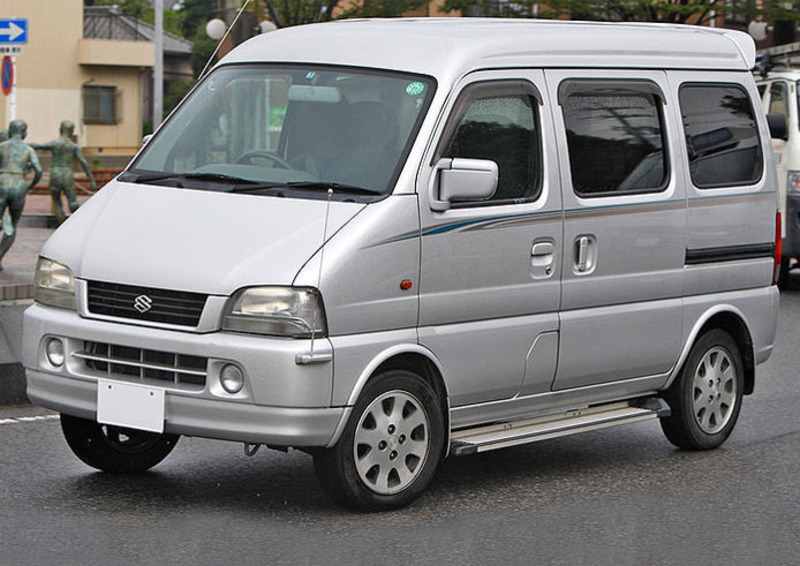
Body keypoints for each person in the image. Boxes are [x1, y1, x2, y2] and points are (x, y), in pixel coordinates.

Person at [30, 120, 96, 225]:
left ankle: (61, 224)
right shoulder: (73, 146)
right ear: (71, 131)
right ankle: (76, 219)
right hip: (67, 174)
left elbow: (38, 146)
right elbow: (83, 163)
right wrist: (91, 180)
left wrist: (21, 143)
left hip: (55, 173)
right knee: (72, 202)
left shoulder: (54, 144)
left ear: (60, 129)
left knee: (57, 202)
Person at [0, 119, 42, 270]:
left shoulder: (2, 147)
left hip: (2, 181)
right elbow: (38, 170)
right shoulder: (28, 149)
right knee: (12, 225)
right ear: (24, 133)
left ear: (10, 131)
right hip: (19, 184)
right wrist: (29, 186)